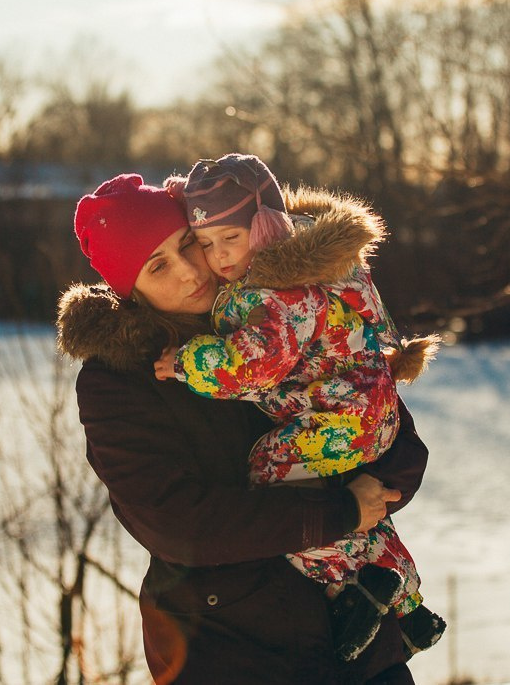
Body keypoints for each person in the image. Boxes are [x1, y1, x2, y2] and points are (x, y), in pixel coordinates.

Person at [57, 172, 429, 684]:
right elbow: (180, 526)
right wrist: (343, 510)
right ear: (132, 290)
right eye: (158, 265)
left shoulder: (276, 307)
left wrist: (383, 487)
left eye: (189, 244)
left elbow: (394, 434)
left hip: (365, 658)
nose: (190, 272)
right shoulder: (120, 381)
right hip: (235, 654)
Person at [152, 154, 444, 662]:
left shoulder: (281, 292)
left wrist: (186, 362)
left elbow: (251, 367)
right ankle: (410, 605)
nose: (219, 257)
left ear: (264, 225)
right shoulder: (311, 264)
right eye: (206, 244)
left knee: (273, 474)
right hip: (361, 407)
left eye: (231, 239)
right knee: (359, 505)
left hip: (344, 417)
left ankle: (354, 590)